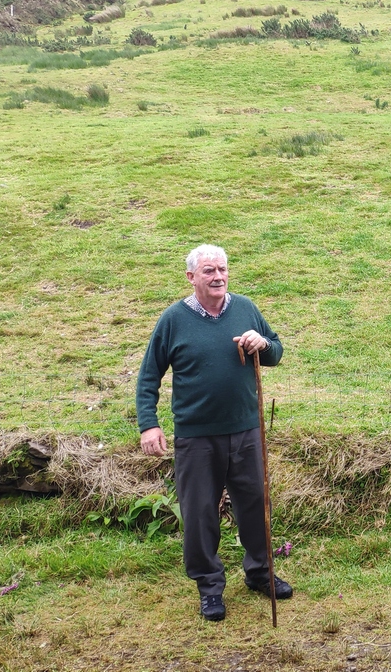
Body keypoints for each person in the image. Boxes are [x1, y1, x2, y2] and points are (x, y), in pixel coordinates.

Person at [137, 243, 290, 622]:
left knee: (255, 505)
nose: (218, 276)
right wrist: (149, 423)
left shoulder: (246, 308)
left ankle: (260, 574)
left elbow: (276, 352)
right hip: (196, 437)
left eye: (222, 269)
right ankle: (209, 588)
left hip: (246, 430)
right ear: (191, 277)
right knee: (200, 512)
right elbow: (149, 375)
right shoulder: (173, 319)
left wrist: (263, 343)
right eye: (208, 271)